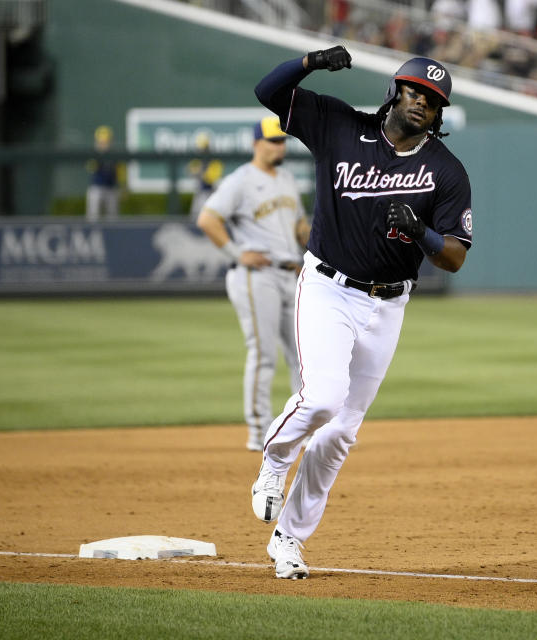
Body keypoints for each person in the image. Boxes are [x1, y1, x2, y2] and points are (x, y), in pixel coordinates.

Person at [250, 47, 473, 579]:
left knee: (341, 432)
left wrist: (421, 231)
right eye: (414, 90)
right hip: (328, 287)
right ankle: (275, 461)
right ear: (396, 91)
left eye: (432, 99)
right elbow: (267, 93)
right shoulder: (339, 126)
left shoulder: (445, 170)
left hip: (390, 302)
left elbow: (456, 256)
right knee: (323, 397)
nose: (421, 102)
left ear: (440, 114)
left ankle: (290, 541)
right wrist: (307, 63)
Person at [196, 116, 310, 452]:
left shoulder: (287, 178)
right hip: (256, 275)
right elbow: (207, 218)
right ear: (255, 144)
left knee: (304, 357)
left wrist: (315, 239)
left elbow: (300, 224)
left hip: (291, 272)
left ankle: (306, 427)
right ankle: (259, 433)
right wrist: (235, 252)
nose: (279, 146)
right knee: (264, 355)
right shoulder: (240, 181)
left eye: (282, 141)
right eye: (272, 141)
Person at [85, 125, 122, 221]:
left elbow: (119, 171)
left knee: (112, 217)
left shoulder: (114, 155)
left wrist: (122, 185)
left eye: (106, 142)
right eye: (101, 142)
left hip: (111, 188)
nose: (104, 144)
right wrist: (98, 157)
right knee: (93, 216)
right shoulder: (94, 154)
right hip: (97, 187)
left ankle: (113, 235)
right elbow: (90, 168)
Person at [187, 132, 224, 218]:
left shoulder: (214, 160)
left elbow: (213, 176)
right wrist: (199, 173)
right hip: (199, 191)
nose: (202, 151)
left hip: (211, 192)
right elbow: (191, 171)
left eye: (204, 148)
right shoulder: (197, 159)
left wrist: (203, 174)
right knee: (195, 215)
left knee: (212, 215)